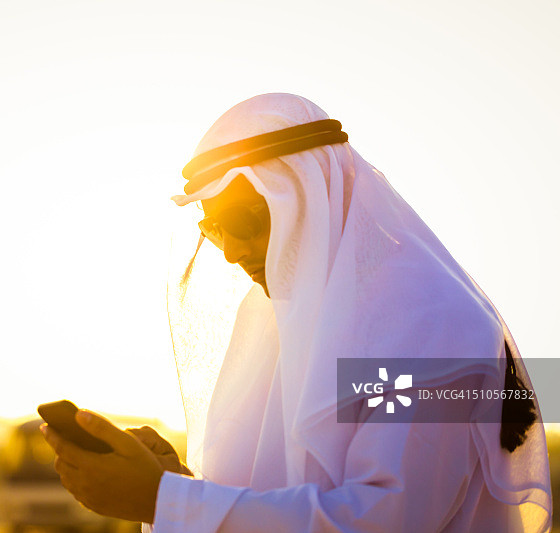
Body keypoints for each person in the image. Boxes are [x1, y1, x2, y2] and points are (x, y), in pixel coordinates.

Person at [41, 93, 552, 531]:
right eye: (212, 228)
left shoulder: (430, 325)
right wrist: (174, 481)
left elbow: (383, 520)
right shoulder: (277, 324)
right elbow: (282, 497)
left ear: (313, 197)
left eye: (243, 219)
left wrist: (165, 501)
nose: (230, 250)